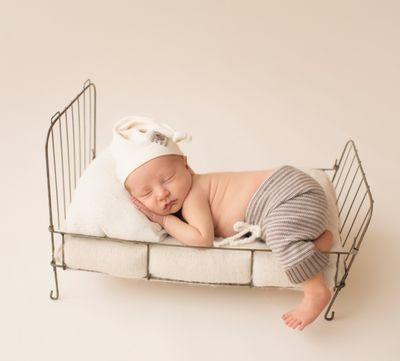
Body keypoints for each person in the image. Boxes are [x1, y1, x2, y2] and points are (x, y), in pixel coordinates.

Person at [110, 116, 334, 331]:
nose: (162, 194)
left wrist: (163, 220)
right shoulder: (187, 192)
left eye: (168, 179)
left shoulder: (194, 195)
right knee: (279, 235)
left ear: (187, 167)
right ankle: (312, 245)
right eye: (147, 193)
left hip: (285, 194)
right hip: (295, 194)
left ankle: (316, 291)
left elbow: (202, 238)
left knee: (279, 233)